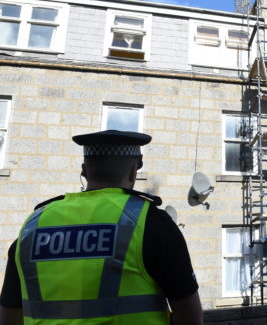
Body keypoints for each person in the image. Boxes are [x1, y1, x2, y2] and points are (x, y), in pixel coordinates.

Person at [0, 130, 203, 325]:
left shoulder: (33, 226)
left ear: (84, 170)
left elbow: (9, 317)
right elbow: (190, 318)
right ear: (133, 172)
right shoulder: (151, 222)